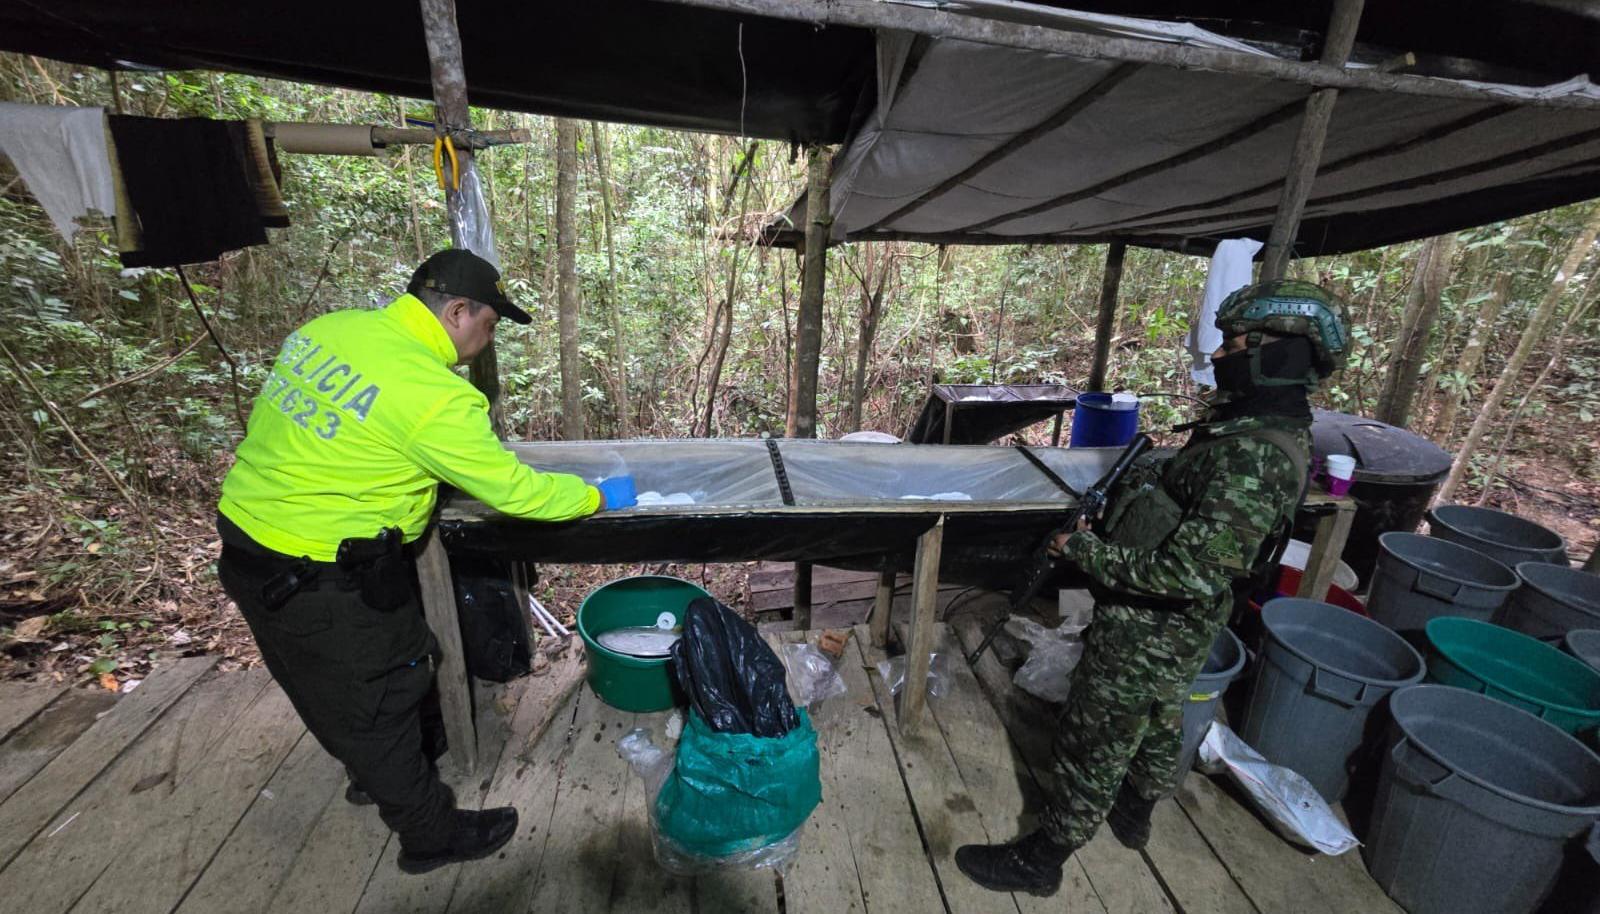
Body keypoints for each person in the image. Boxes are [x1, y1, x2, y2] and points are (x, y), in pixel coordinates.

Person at [215, 248, 637, 875]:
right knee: (386, 690)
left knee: (318, 681)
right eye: (489, 325)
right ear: (457, 310)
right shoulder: (435, 394)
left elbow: (342, 435)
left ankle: (374, 774)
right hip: (327, 574)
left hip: (247, 543)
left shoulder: (328, 331)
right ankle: (428, 832)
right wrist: (596, 496)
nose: (487, 340)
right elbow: (517, 493)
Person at [955, 280, 1349, 895]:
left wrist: (1082, 549)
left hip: (1151, 624)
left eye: (1236, 343)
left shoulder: (1254, 455)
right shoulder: (1258, 430)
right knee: (1162, 716)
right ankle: (1135, 812)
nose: (1221, 356)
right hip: (1184, 627)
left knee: (1096, 733)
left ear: (1280, 353)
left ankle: (1044, 858)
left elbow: (1188, 572)